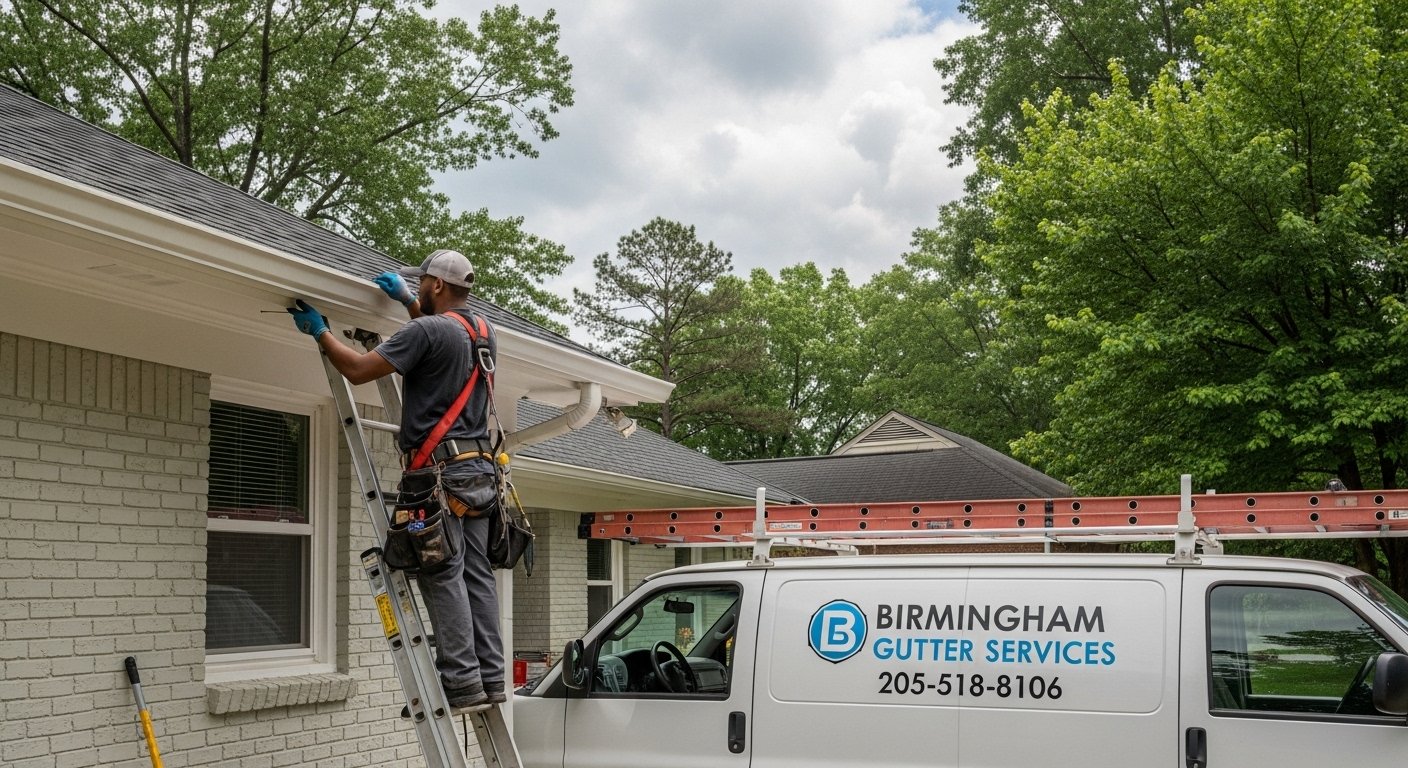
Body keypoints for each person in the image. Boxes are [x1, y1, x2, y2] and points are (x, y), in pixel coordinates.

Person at [287, 248, 504, 712]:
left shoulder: (428, 329)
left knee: (442, 571)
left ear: (438, 286)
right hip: (480, 473)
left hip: (440, 476)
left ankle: (461, 683)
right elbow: (437, 339)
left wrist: (321, 331)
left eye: (422, 283)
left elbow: (360, 370)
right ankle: (491, 678)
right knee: (476, 574)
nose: (419, 288)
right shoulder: (483, 332)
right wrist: (408, 302)